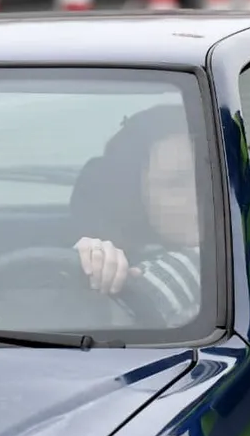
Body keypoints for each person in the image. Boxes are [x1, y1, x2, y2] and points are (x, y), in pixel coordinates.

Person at [70, 104, 202, 327]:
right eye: (177, 183)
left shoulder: (202, 265)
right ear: (135, 198)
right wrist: (90, 266)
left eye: (209, 178)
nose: (200, 194)